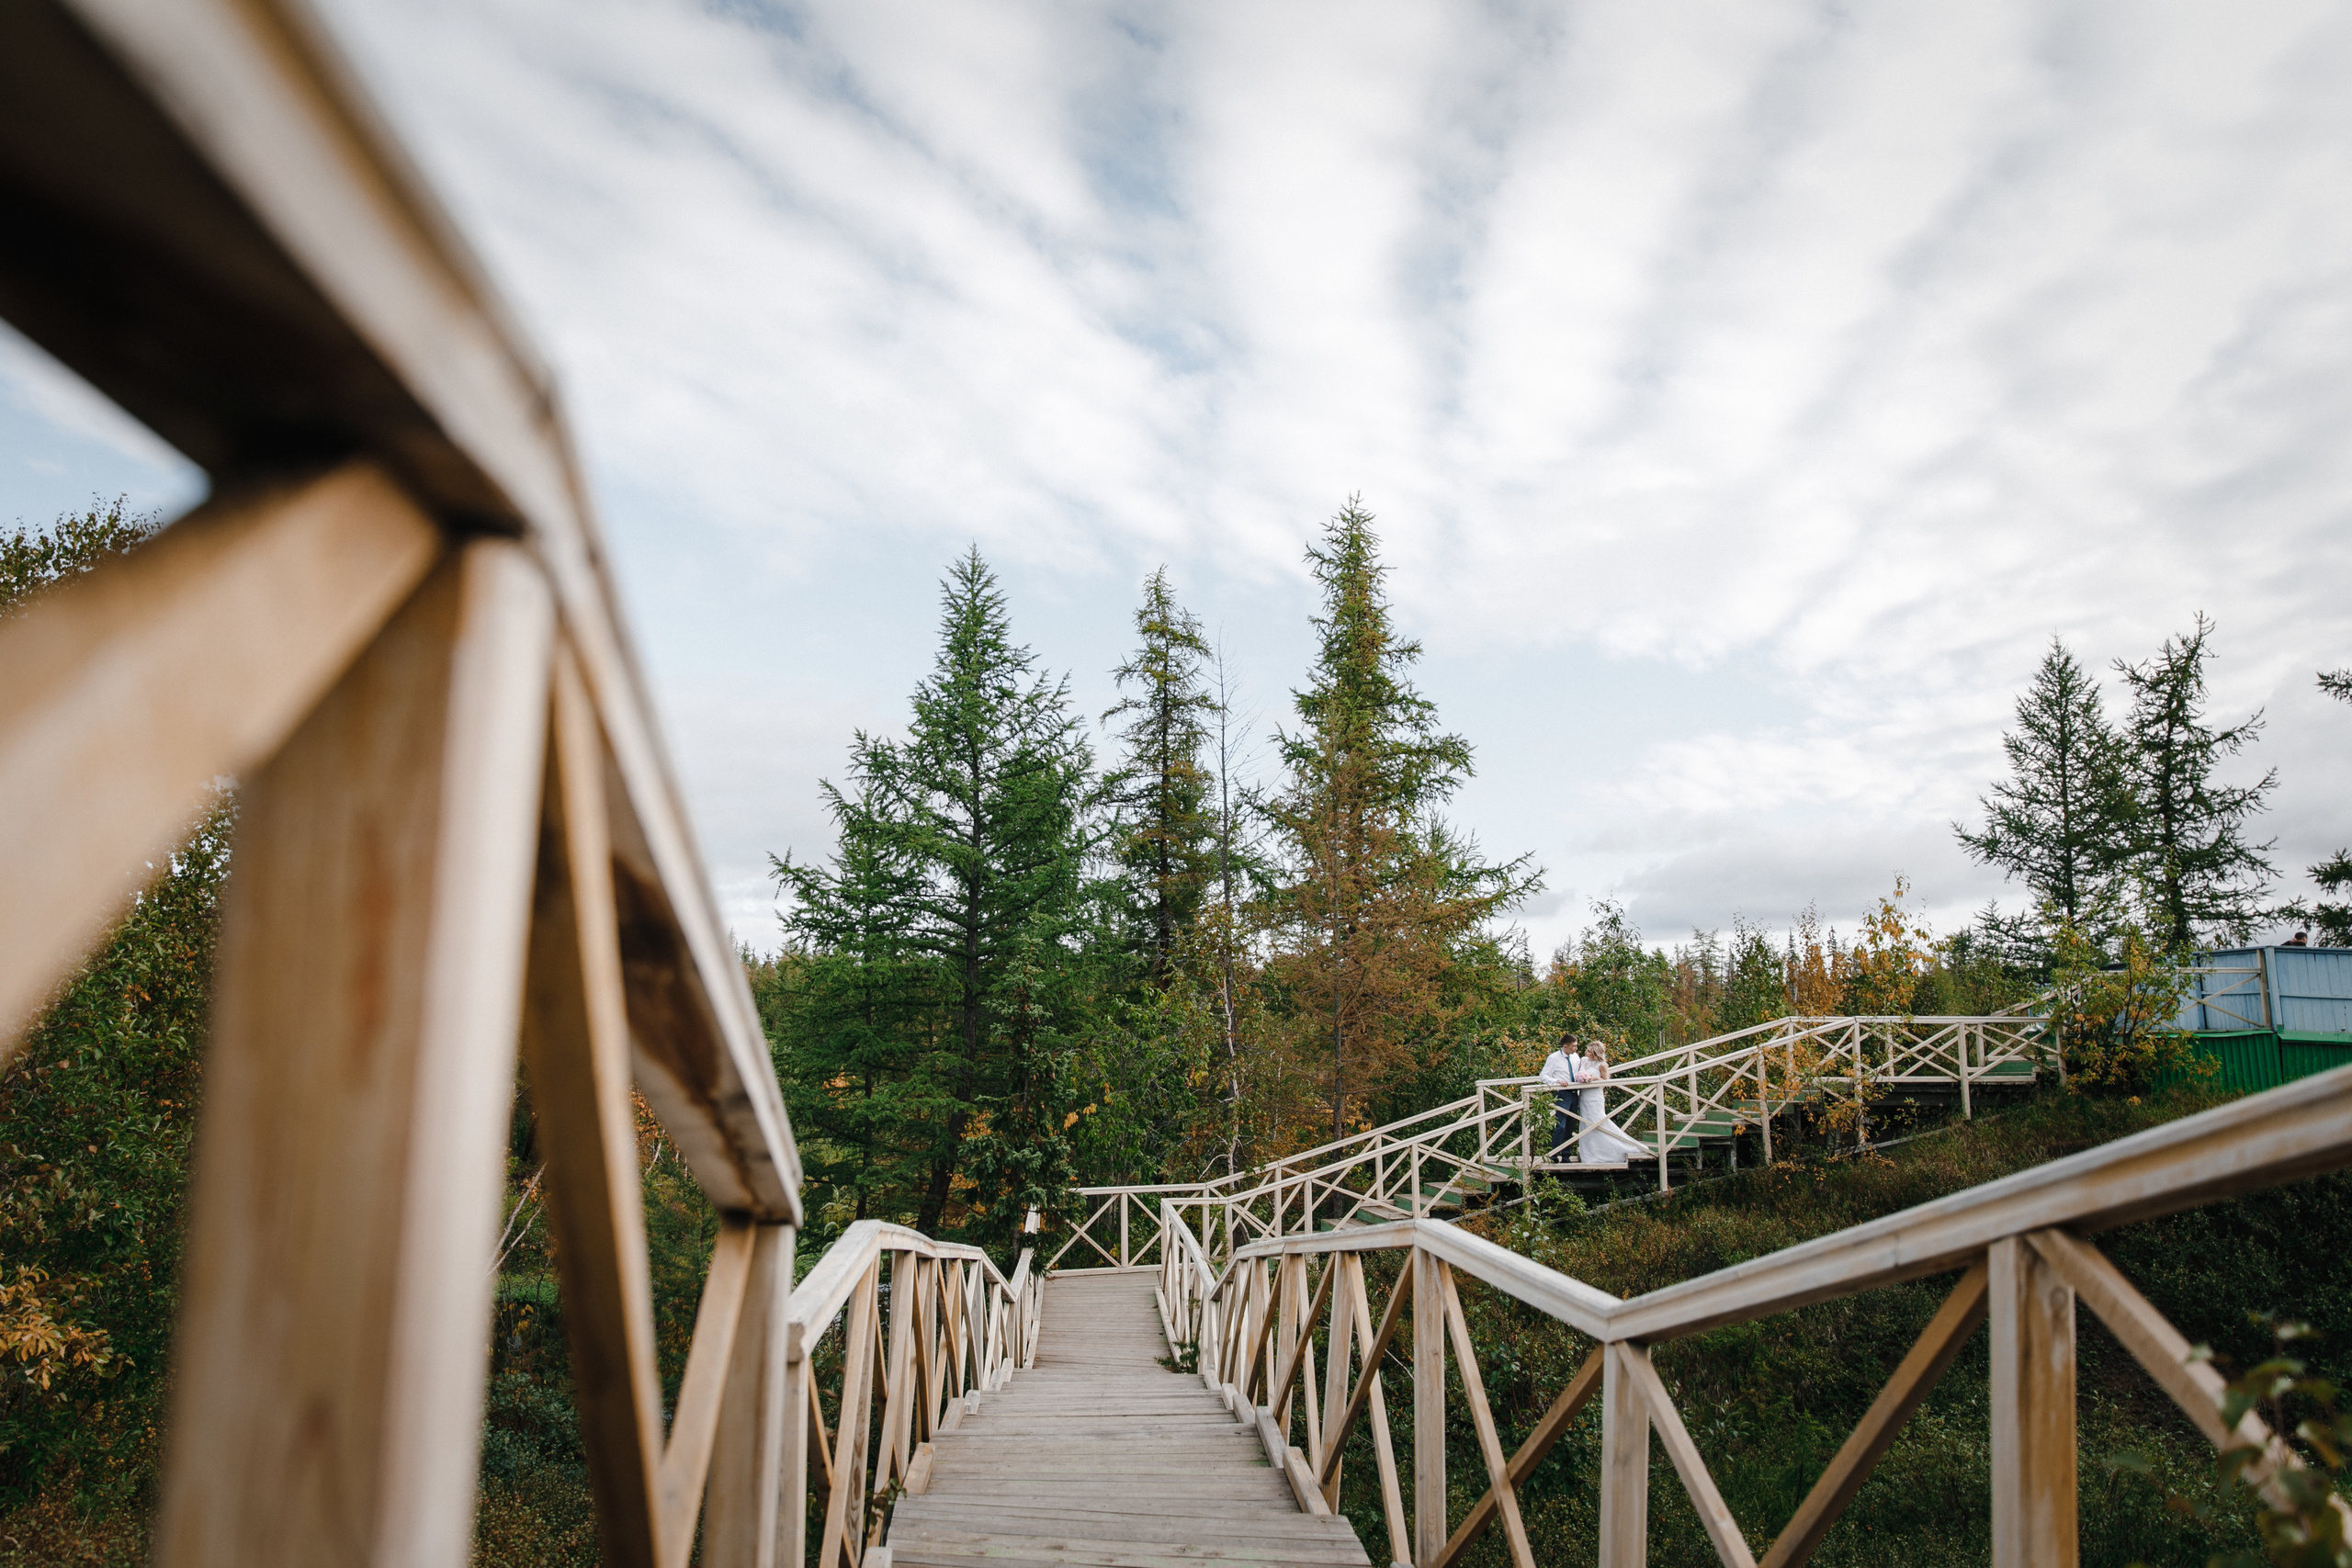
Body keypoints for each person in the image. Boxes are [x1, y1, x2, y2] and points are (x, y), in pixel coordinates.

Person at [1576, 1043, 1652, 1165]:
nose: (1586, 1052)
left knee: (1598, 1122)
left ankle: (1621, 1147)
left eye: (1589, 1051)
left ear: (1596, 1053)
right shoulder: (1583, 1060)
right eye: (1587, 1050)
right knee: (1586, 1123)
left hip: (1595, 1096)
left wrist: (1594, 1078)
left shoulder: (1602, 1065)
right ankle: (1591, 1153)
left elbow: (1606, 1082)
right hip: (1584, 1096)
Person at [1537, 1033, 1583, 1162]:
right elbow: (1543, 1076)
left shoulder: (1576, 1057)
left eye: (1576, 1046)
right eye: (1573, 1046)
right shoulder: (1554, 1058)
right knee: (1560, 1125)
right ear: (1565, 1046)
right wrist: (1557, 1081)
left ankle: (1566, 1156)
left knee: (1570, 1125)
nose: (1576, 1049)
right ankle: (1553, 1155)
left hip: (1574, 1093)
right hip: (1562, 1093)